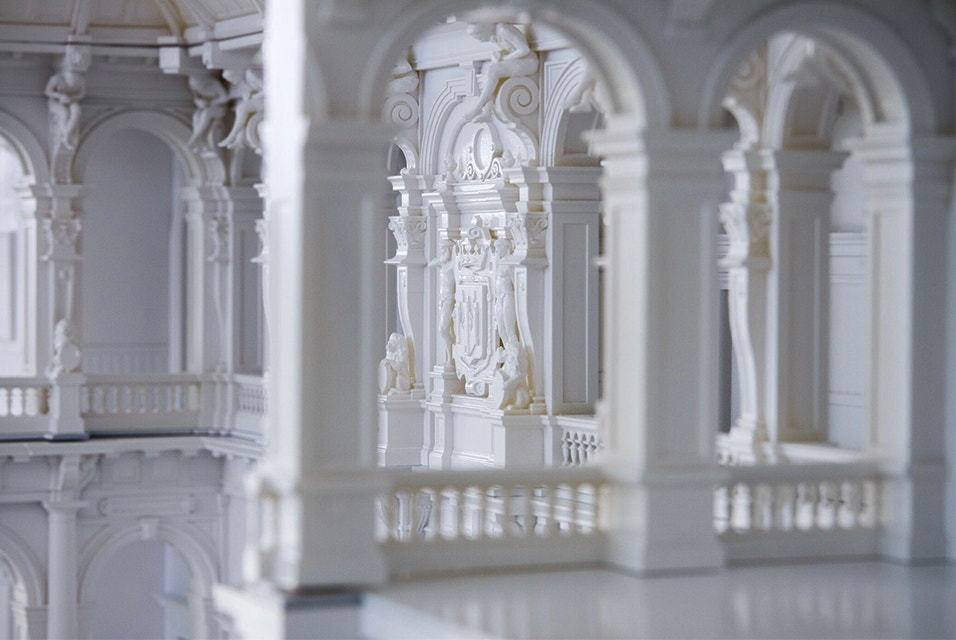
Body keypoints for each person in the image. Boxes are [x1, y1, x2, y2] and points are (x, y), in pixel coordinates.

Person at [464, 23, 538, 119]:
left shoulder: (504, 30)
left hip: (528, 62)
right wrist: (499, 55)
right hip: (517, 61)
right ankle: (487, 111)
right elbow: (510, 49)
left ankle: (478, 108)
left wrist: (505, 58)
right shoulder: (494, 36)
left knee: (493, 71)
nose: (481, 41)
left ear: (484, 30)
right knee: (490, 72)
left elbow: (524, 49)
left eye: (479, 37)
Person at [45, 69, 85, 152]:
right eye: (70, 83)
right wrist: (59, 96)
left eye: (74, 84)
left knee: (77, 109)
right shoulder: (56, 78)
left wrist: (71, 98)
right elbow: (47, 91)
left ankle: (68, 134)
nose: (72, 85)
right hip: (55, 101)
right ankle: (65, 137)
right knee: (64, 113)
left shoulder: (80, 80)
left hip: (70, 100)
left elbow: (82, 93)